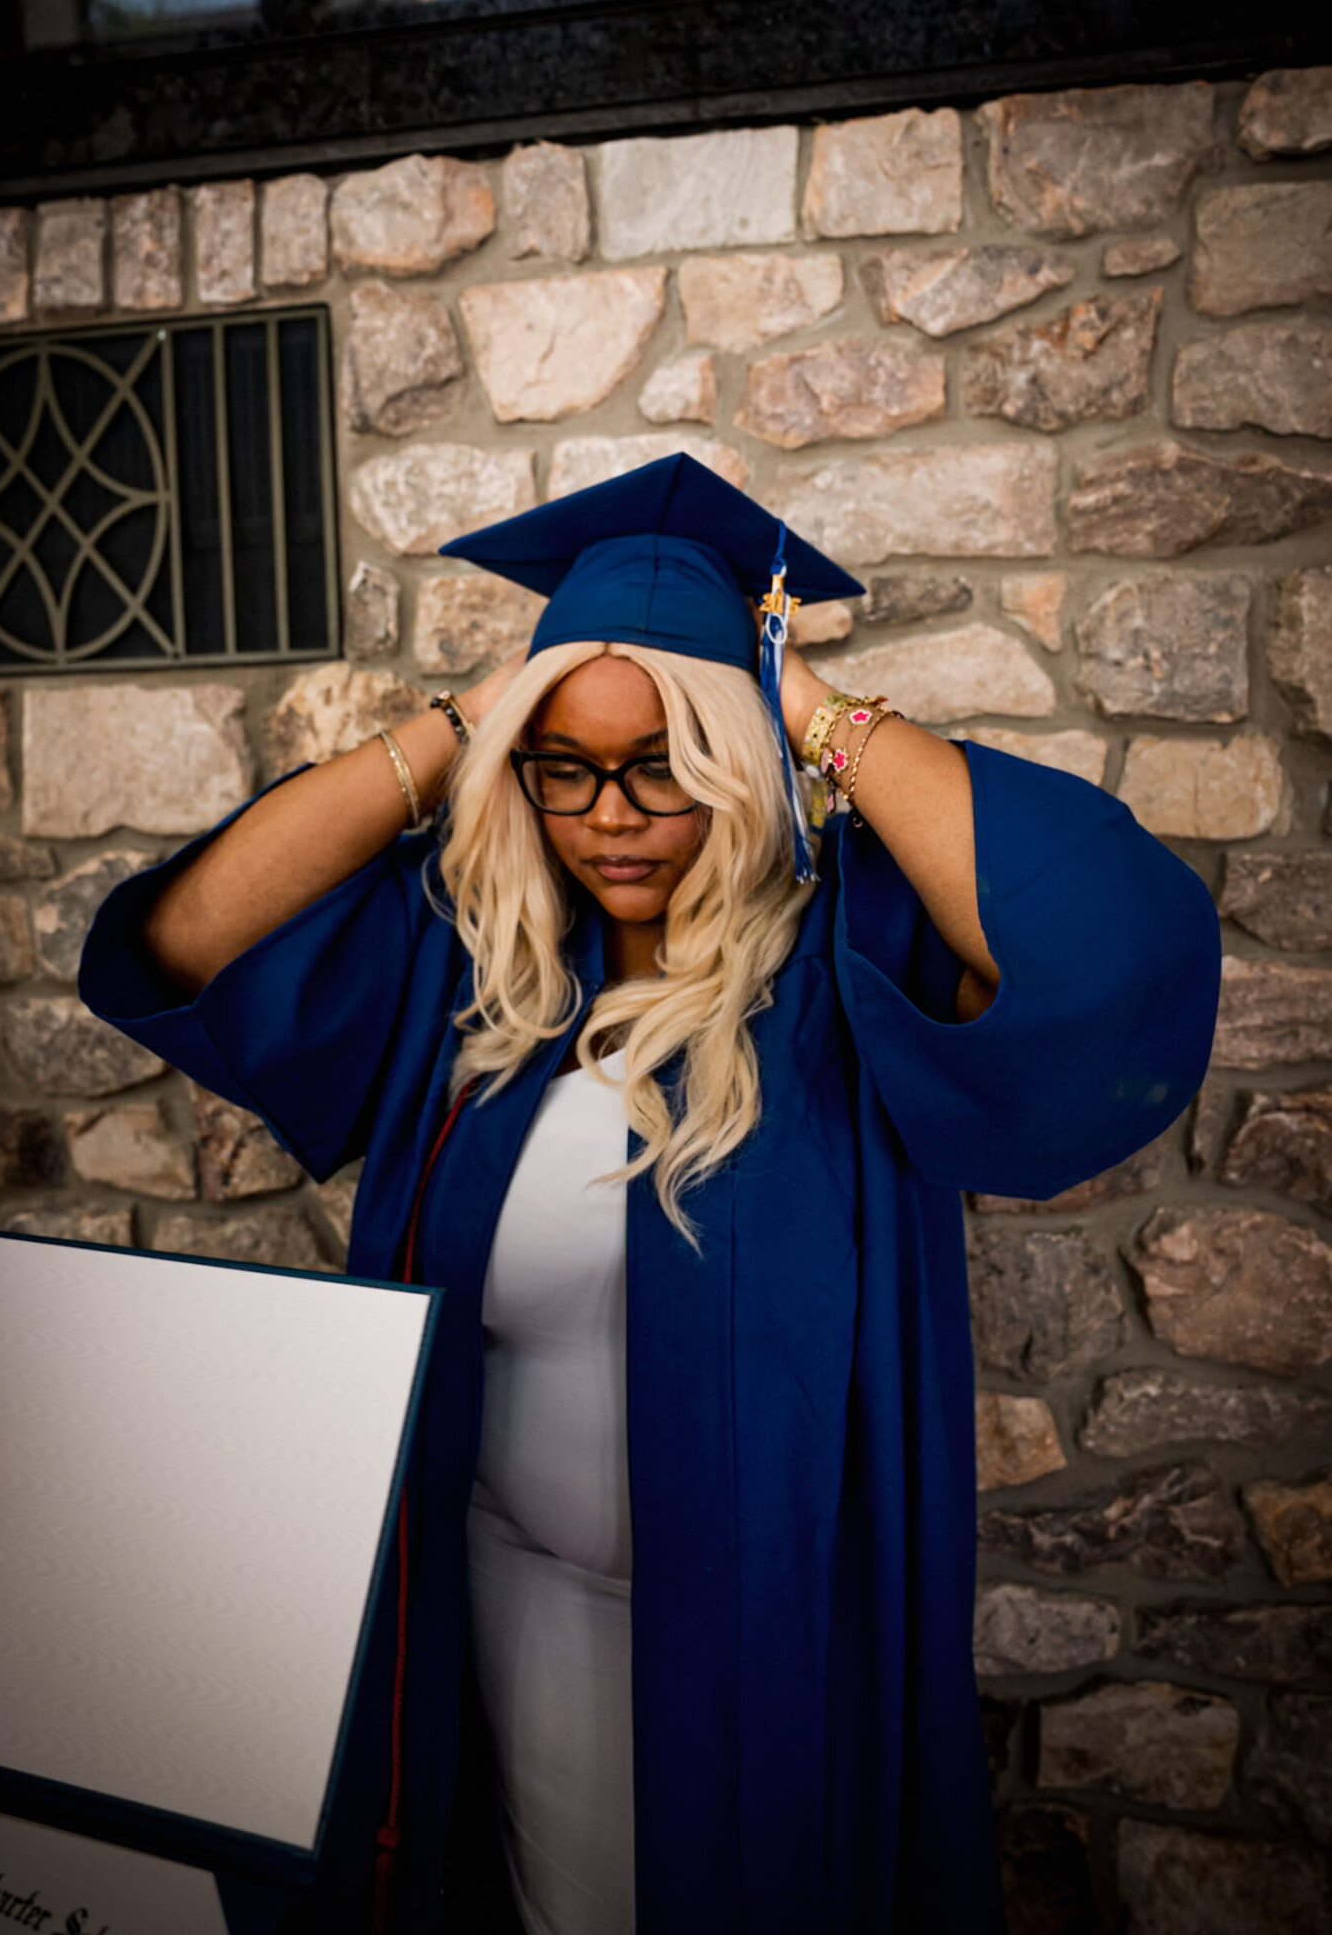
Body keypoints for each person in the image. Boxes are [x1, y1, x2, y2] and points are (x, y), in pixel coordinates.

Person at [80, 454, 1221, 1935]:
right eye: (568, 768)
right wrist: (472, 718)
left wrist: (797, 696)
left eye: (670, 761)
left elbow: (1109, 955)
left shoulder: (840, 968)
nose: (614, 815)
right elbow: (187, 944)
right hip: (492, 1617)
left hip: (762, 1645)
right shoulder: (479, 981)